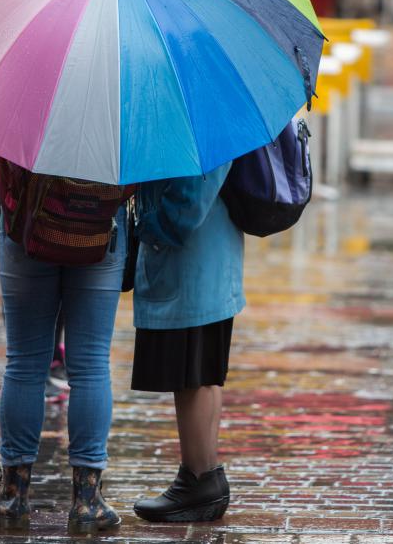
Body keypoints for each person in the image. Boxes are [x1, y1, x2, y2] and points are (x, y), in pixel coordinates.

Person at [0, 142, 126, 534]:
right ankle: (87, 501)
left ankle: (13, 497)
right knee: (90, 366)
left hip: (26, 225)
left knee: (24, 364)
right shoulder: (125, 86)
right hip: (101, 227)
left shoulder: (21, 80)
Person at [131, 164, 243, 523]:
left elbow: (191, 194)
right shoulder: (212, 109)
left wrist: (151, 226)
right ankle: (203, 475)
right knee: (202, 372)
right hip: (206, 255)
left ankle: (198, 480)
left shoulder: (202, 112)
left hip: (192, 257)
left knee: (192, 375)